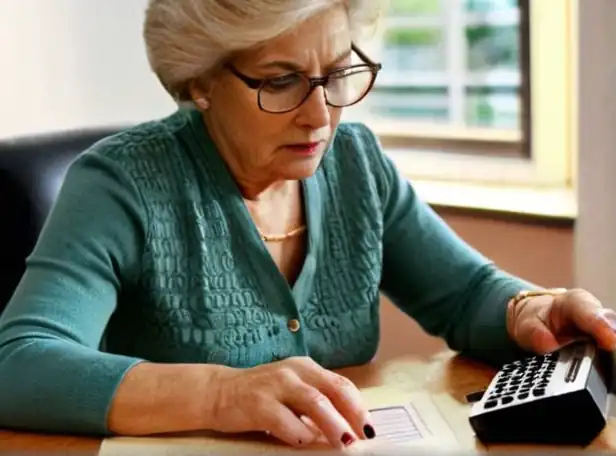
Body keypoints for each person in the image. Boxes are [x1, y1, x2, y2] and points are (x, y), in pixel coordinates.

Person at [0, 0, 615, 450]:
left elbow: (465, 293)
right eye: (281, 81)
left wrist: (527, 310)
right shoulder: (120, 184)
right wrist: (222, 394)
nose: (320, 115)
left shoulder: (355, 163)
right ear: (200, 81)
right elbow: (18, 364)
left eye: (337, 73)